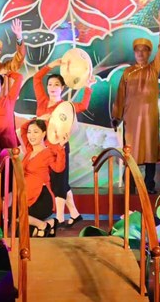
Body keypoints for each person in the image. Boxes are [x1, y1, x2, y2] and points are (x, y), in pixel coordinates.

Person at [31, 58, 95, 226]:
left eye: (56, 85)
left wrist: (88, 87)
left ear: (63, 88)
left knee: (59, 181)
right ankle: (74, 214)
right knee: (59, 181)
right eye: (50, 84)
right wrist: (51, 65)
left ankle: (59, 218)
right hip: (44, 147)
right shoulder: (42, 101)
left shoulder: (65, 106)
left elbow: (83, 105)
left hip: (59, 146)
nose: (52, 88)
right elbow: (36, 78)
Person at [111, 9, 160, 193]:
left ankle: (149, 184)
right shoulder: (128, 72)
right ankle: (130, 182)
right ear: (134, 53)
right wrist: (116, 116)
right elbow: (120, 95)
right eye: (138, 51)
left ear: (149, 53)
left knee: (150, 149)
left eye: (144, 51)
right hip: (131, 118)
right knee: (131, 150)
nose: (141, 54)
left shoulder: (153, 69)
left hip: (149, 117)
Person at [19, 119, 65, 237]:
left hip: (41, 197)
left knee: (17, 216)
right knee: (22, 233)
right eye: (30, 132)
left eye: (36, 132)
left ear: (44, 133)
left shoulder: (48, 152)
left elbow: (59, 168)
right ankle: (48, 224)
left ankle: (43, 226)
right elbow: (23, 129)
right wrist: (38, 119)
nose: (31, 135)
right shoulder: (29, 150)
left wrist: (60, 148)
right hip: (27, 197)